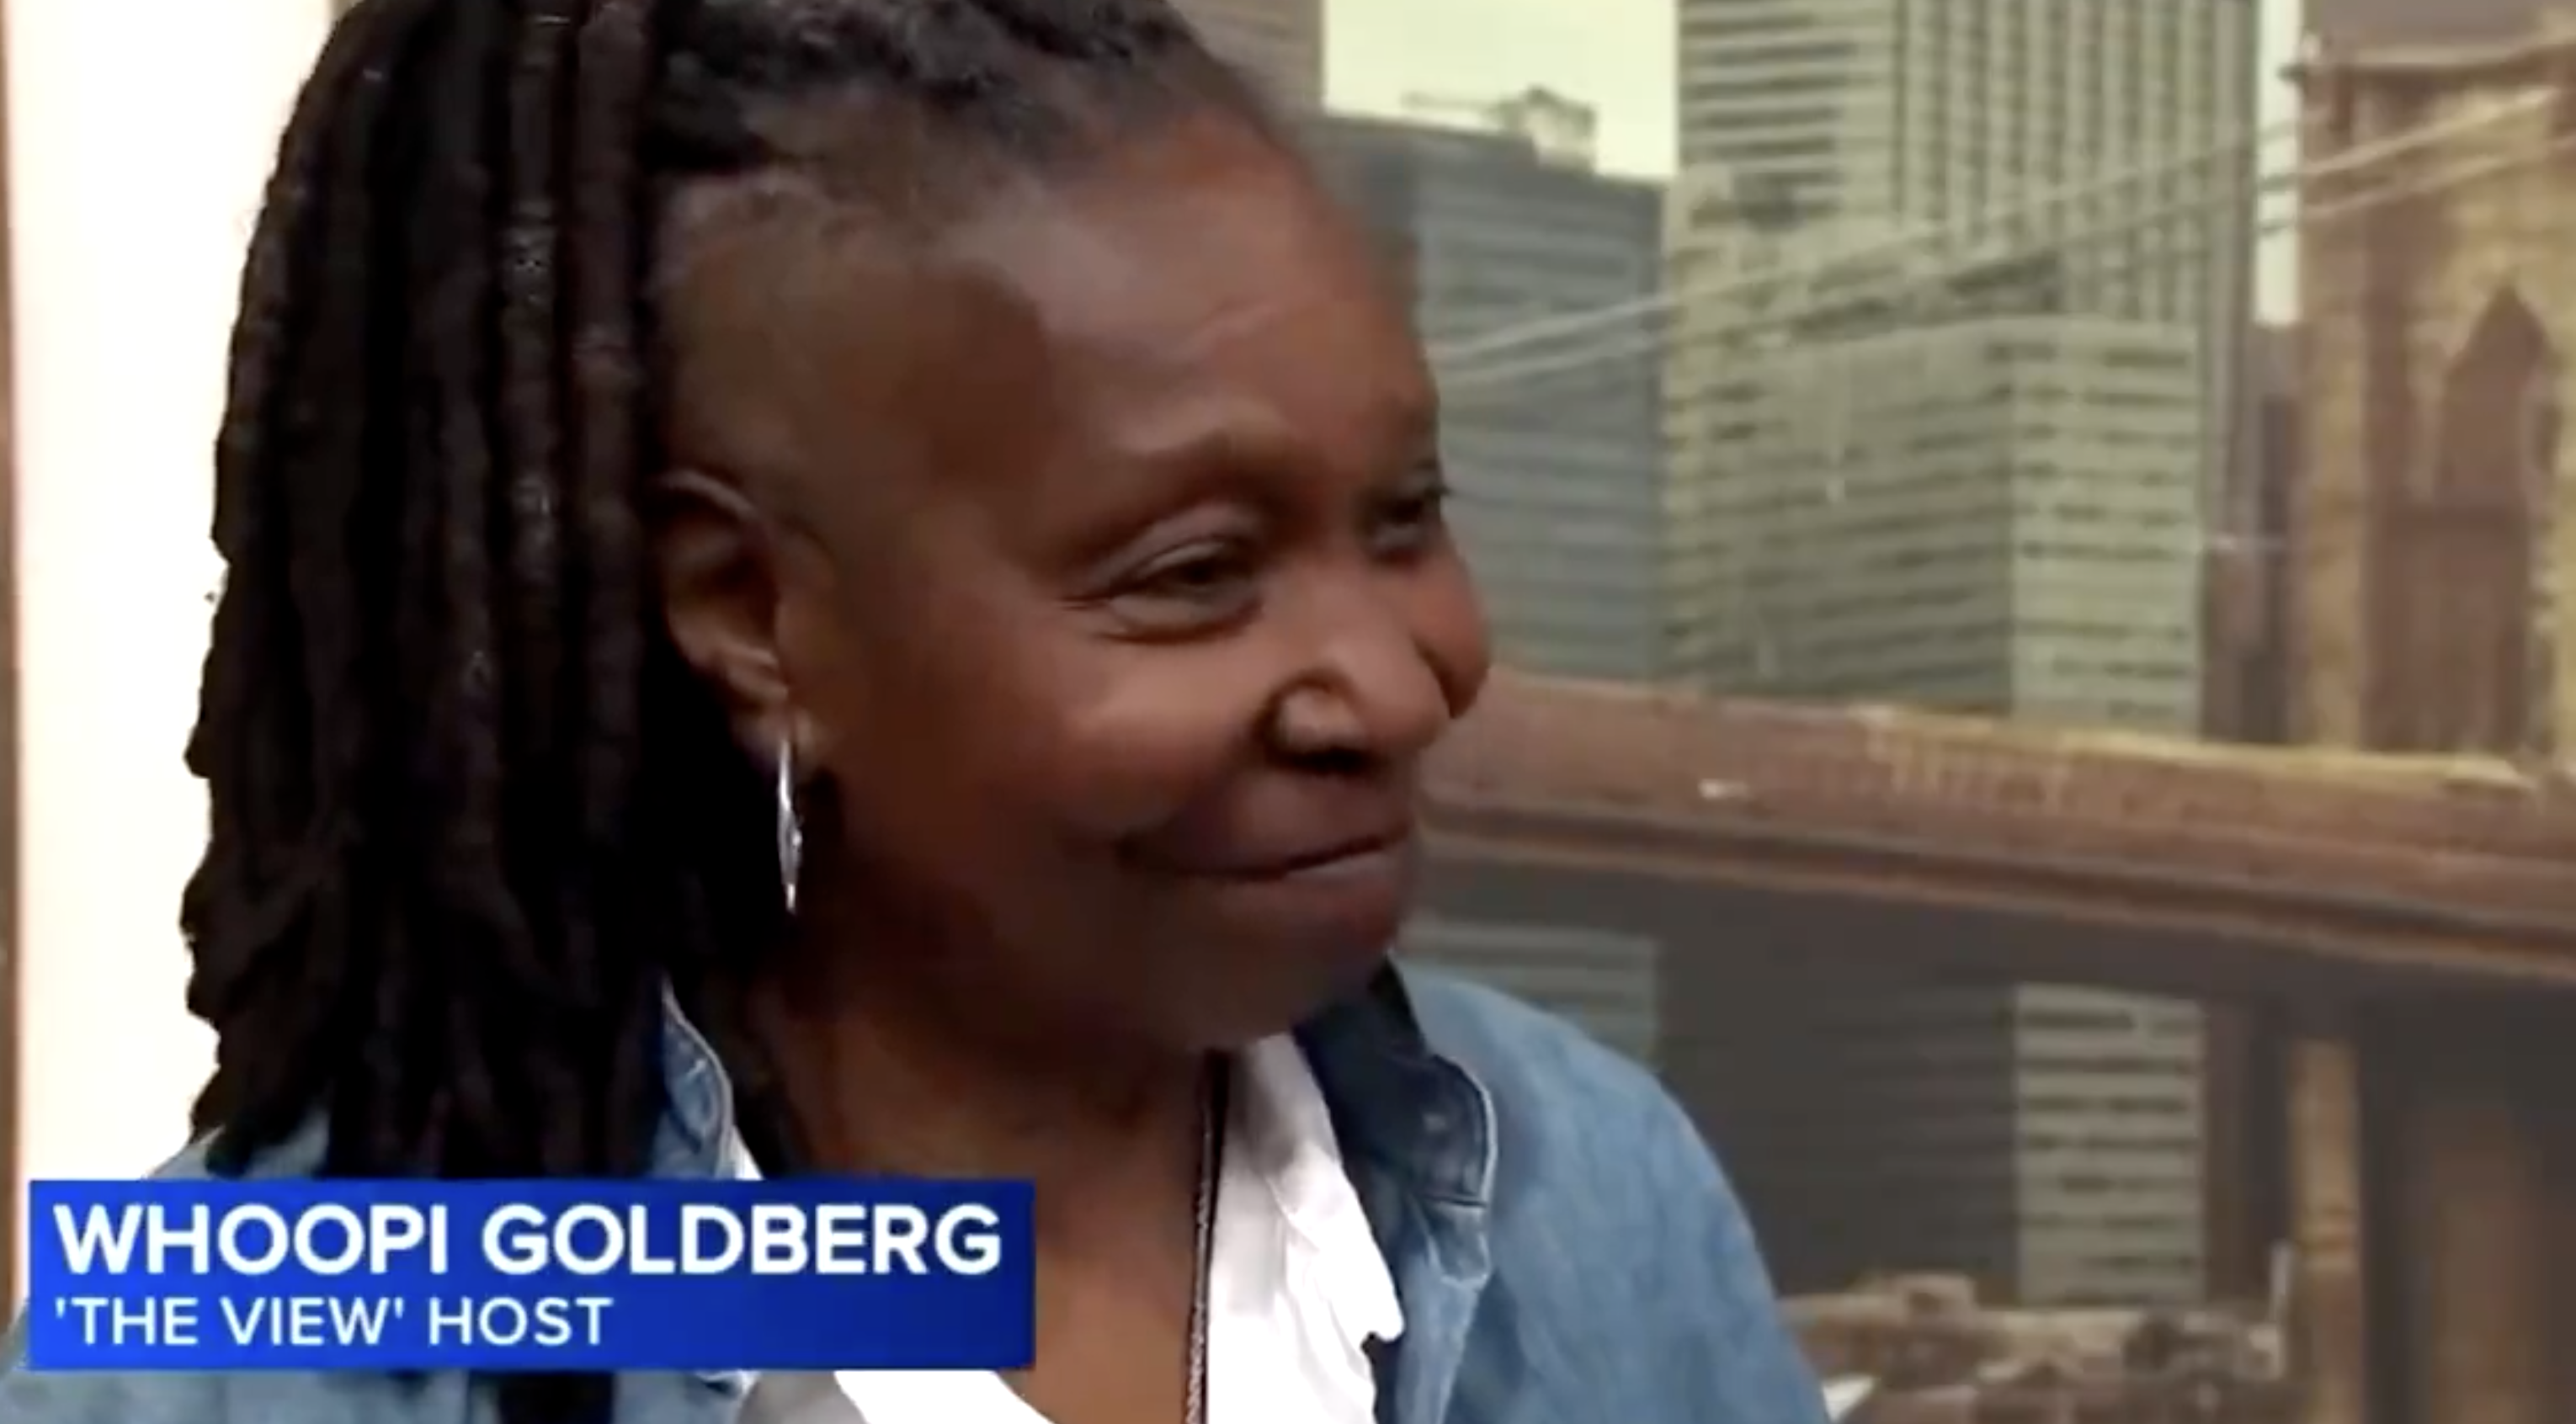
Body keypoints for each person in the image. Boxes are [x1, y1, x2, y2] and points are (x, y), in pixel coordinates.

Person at [0, 1, 1829, 1422]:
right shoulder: (255, 1348)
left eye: (1405, 520)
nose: (1396, 681)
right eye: (1194, 573)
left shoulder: (1584, 1182)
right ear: (752, 614)